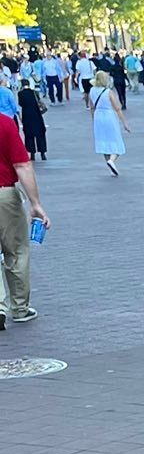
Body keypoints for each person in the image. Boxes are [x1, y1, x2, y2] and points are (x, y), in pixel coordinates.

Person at [0, 109, 49, 331]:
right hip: (4, 195)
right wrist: (35, 203)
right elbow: (22, 165)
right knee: (16, 250)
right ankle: (19, 307)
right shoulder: (5, 124)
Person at [89, 68, 129, 175]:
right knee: (116, 140)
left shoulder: (92, 91)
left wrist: (94, 119)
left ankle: (109, 163)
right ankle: (112, 160)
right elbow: (118, 108)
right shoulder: (108, 92)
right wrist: (124, 123)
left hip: (98, 116)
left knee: (103, 141)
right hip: (108, 115)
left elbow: (91, 107)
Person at [17, 82, 47, 161]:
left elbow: (21, 104)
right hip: (37, 115)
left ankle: (32, 154)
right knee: (40, 134)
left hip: (27, 116)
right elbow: (39, 101)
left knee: (29, 135)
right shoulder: (34, 92)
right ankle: (42, 153)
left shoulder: (20, 94)